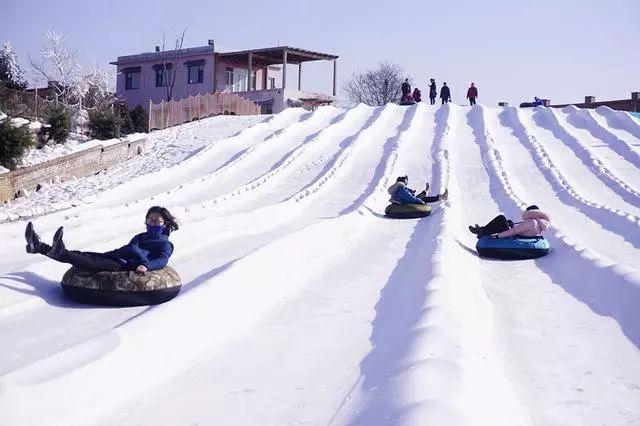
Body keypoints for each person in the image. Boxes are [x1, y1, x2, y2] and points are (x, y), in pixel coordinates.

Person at [24, 206, 179, 273]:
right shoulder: (140, 237)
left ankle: (46, 248)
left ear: (164, 224)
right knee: (84, 254)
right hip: (116, 256)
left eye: (157, 221)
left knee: (89, 261)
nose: (152, 223)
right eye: (150, 219)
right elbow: (128, 248)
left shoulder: (165, 244)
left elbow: (162, 260)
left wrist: (145, 265)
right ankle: (38, 246)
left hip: (123, 266)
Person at [468, 205, 550, 239]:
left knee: (501, 218)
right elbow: (525, 231)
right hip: (522, 237)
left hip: (515, 238)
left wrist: (498, 236)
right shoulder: (539, 224)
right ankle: (482, 229)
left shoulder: (531, 222)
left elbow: (513, 231)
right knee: (508, 222)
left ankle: (482, 231)